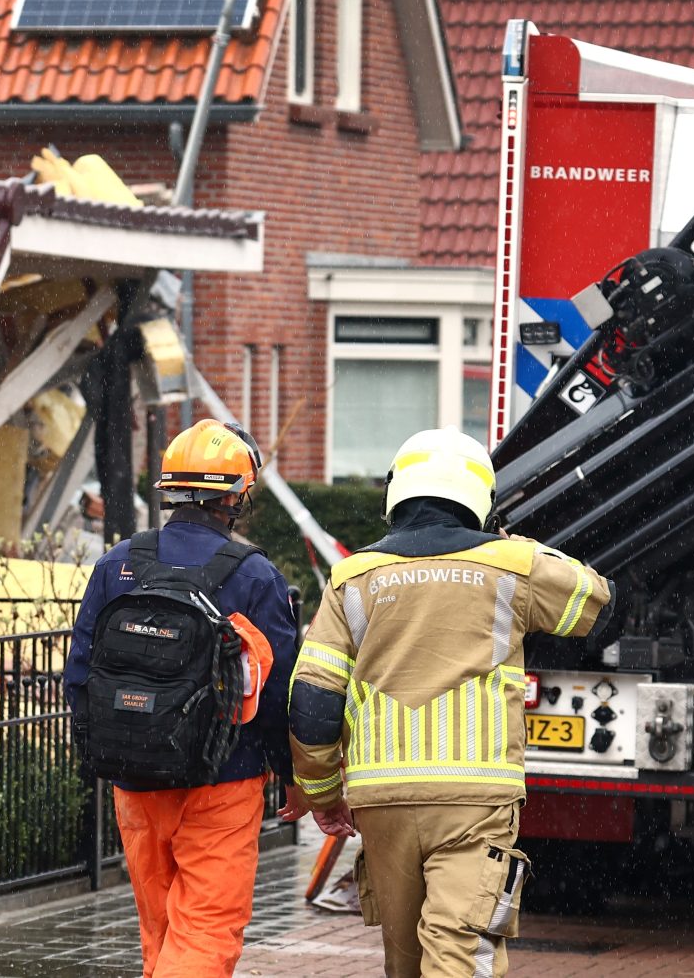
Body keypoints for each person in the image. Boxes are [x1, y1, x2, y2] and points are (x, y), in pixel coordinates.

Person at [289, 428, 613, 978]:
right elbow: (598, 604)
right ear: (478, 498)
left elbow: (314, 700)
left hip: (382, 799)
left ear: (397, 494)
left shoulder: (351, 578)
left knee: (407, 963)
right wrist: (522, 547)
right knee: (461, 953)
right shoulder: (514, 564)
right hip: (475, 800)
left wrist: (322, 794)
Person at [66, 418, 303, 978]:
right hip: (223, 778)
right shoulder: (255, 577)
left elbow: (80, 675)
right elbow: (277, 693)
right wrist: (293, 773)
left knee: (163, 932)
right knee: (204, 932)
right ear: (237, 495)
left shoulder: (116, 565)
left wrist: (110, 748)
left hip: (136, 780)